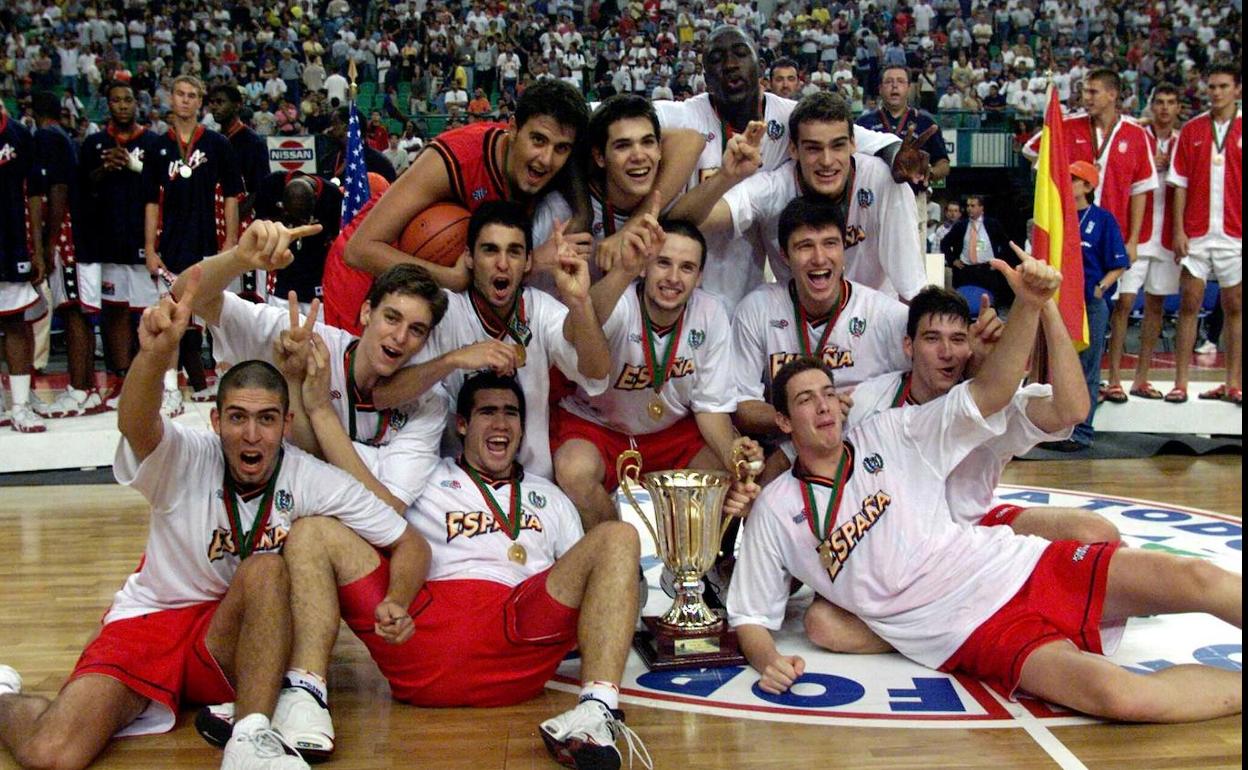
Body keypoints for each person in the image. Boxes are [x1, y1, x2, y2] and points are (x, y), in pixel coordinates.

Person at [725, 255, 1242, 724]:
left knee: (1191, 576)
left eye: (828, 395)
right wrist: (768, 660)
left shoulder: (892, 431)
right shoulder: (782, 502)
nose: (822, 407)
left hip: (1006, 562)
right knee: (1118, 698)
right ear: (784, 422)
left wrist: (1032, 305)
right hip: (965, 629)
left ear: (843, 403)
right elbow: (751, 612)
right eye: (805, 401)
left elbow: (996, 393)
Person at [0, 228, 423, 770]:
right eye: (239, 419)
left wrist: (402, 598)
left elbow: (406, 537)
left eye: (267, 420)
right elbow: (136, 423)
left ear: (285, 423)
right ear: (216, 420)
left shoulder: (307, 474)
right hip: (152, 619)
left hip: (230, 637)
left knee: (269, 571)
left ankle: (249, 738)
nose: (252, 436)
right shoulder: (188, 456)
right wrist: (153, 357)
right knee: (51, 753)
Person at [258, 371, 650, 769]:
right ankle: (305, 693)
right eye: (487, 412)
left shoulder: (550, 496)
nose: (500, 423)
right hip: (418, 629)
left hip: (521, 632)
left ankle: (596, 711)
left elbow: (581, 590)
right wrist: (309, 397)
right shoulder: (420, 475)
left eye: (511, 413)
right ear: (461, 424)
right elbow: (321, 454)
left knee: (618, 536)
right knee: (312, 532)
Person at [173, 243, 449, 514]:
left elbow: (389, 509)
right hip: (276, 513)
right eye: (391, 318)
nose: (400, 337)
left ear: (426, 340)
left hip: (359, 527)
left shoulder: (429, 401)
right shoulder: (304, 338)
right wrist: (238, 258)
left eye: (416, 330)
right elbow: (185, 293)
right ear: (367, 312)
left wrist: (319, 409)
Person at [652, 26, 912, 310]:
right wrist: (725, 177)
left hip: (743, 291)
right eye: (716, 58)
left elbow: (872, 141)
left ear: (760, 67)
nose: (729, 65)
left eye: (740, 54)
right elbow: (610, 114)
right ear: (705, 77)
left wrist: (899, 155)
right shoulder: (682, 116)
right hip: (678, 280)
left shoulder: (791, 118)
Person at [366, 201, 610, 481]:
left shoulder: (541, 310)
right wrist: (453, 360)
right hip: (452, 484)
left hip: (531, 483)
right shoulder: (445, 313)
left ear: (528, 261)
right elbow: (382, 395)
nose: (503, 264)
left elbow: (597, 371)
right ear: (469, 257)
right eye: (490, 250)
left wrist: (579, 301)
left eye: (514, 252)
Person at [552, 219, 757, 529]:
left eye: (687, 268)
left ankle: (694, 568)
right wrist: (623, 271)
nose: (673, 278)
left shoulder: (711, 314)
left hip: (668, 432)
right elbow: (579, 326)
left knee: (724, 475)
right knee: (574, 471)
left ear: (699, 276)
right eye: (663, 263)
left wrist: (735, 459)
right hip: (599, 426)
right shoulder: (619, 302)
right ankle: (621, 564)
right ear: (645, 267)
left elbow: (711, 410)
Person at [339, 78, 591, 297]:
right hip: (362, 270)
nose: (546, 158)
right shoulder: (453, 160)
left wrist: (585, 218)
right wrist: (454, 278)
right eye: (538, 140)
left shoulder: (556, 161)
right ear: (513, 129)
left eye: (561, 148)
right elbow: (359, 250)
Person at [671, 91, 927, 301]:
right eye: (813, 148)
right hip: (797, 328)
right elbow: (687, 221)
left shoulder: (884, 181)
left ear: (853, 143)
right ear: (793, 149)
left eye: (837, 146)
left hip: (870, 325)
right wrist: (726, 176)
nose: (827, 162)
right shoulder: (774, 187)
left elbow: (911, 290)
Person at [730, 197, 909, 481]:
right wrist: (808, 415)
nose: (819, 258)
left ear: (844, 248)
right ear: (785, 256)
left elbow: (932, 370)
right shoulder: (757, 309)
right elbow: (742, 408)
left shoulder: (884, 314)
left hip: (865, 457)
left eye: (829, 243)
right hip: (781, 458)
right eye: (805, 246)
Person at [1023, 69, 1156, 406]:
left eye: (1094, 91)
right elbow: (1031, 150)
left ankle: (1109, 382)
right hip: (1069, 239)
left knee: (1117, 308)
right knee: (1062, 318)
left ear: (1113, 95)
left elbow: (1141, 190)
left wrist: (1134, 239)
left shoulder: (1136, 134)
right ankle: (1054, 393)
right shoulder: (1068, 125)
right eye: (1085, 90)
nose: (1087, 97)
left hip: (1111, 234)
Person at [143, 74, 244, 412]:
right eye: (180, 94)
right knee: (171, 318)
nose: (185, 100)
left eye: (192, 95)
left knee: (222, 317)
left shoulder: (218, 144)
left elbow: (232, 195)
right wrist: (150, 250)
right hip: (170, 247)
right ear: (170, 99)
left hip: (210, 246)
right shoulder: (157, 147)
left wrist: (231, 241)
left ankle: (230, 382)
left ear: (200, 102)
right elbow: (150, 202)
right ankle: (171, 387)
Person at [529, 94, 703, 288]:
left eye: (647, 142)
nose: (638, 156)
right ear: (600, 157)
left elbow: (693, 139)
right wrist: (536, 263)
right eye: (623, 146)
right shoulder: (559, 213)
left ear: (660, 149)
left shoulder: (667, 201)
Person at [76, 80, 162, 408]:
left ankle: (149, 379)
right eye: (116, 100)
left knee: (148, 313)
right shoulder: (94, 143)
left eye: (127, 100)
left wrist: (132, 164)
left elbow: (161, 185)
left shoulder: (153, 142)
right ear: (107, 104)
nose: (123, 105)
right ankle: (122, 377)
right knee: (115, 312)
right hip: (108, 241)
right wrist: (104, 168)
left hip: (144, 242)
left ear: (135, 104)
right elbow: (83, 187)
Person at [1169, 64, 1242, 405]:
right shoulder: (1192, 129)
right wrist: (1180, 229)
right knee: (1189, 303)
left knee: (1236, 307)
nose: (1216, 92)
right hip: (1197, 232)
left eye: (1223, 86)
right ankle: (1181, 382)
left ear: (1237, 90)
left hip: (1235, 232)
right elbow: (1179, 184)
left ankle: (1233, 383)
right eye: (1211, 86)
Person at [1044, 161, 1128, 452]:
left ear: (1088, 186)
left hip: (1091, 304)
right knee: (1059, 365)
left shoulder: (1103, 219)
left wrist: (1101, 288)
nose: (1067, 182)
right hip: (1062, 303)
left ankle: (1082, 431)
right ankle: (1059, 427)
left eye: (1073, 179)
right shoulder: (1060, 217)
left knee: (1087, 368)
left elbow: (1119, 263)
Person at [30, 90, 102, 418]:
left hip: (69, 236)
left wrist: (50, 240)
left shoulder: (46, 137)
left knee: (73, 312)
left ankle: (79, 388)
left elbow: (57, 188)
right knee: (80, 314)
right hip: (83, 233)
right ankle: (85, 389)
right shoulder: (65, 138)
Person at [1118, 85, 1183, 401]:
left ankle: (1141, 379)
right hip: (1137, 234)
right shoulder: (1137, 135)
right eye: (1159, 102)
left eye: (1171, 103)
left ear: (1178, 108)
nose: (1165, 109)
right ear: (1151, 105)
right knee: (1124, 303)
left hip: (1168, 236)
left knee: (1155, 306)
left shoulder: (1183, 141)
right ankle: (1113, 378)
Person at [856, 64, 952, 250]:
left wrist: (928, 173)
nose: (894, 86)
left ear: (909, 88)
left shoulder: (925, 122)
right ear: (880, 88)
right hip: (871, 201)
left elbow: (944, 164)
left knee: (911, 265)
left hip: (913, 200)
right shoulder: (864, 123)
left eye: (900, 82)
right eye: (889, 82)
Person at [0, 103, 46, 433]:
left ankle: (20, 406)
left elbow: (34, 195)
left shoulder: (17, 133)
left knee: (16, 322)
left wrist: (37, 249)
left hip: (11, 241)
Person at [208, 83, 271, 303]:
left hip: (245, 225)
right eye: (212, 103)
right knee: (217, 292)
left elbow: (259, 189)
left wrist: (234, 219)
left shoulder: (252, 142)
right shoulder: (212, 142)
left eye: (221, 102)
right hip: (216, 227)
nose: (215, 108)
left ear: (237, 105)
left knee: (246, 294)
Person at [252, 171, 343, 314]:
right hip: (280, 277)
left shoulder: (332, 196)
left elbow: (337, 239)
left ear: (315, 199)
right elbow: (259, 224)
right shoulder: (271, 185)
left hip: (316, 279)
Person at [941, 194, 1016, 306]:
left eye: (973, 205)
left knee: (989, 304)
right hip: (965, 271)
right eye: (968, 206)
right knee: (964, 303)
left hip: (986, 270)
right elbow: (945, 243)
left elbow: (1006, 244)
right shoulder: (961, 226)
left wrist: (998, 262)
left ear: (981, 208)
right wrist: (953, 260)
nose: (969, 208)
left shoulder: (992, 224)